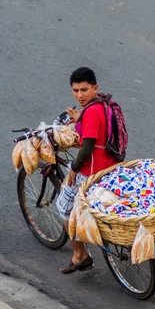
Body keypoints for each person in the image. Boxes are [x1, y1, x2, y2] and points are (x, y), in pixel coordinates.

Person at [56, 67, 119, 274]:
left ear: (95, 87)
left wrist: (74, 168)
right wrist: (78, 120)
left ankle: (80, 256)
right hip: (111, 165)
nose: (79, 95)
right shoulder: (104, 103)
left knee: (64, 206)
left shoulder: (91, 112)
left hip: (93, 171)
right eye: (75, 91)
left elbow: (87, 147)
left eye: (84, 90)